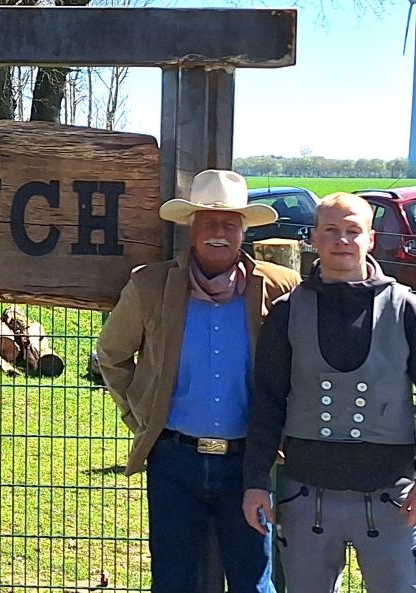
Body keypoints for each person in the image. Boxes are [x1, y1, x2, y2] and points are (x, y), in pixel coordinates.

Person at [241, 192, 416, 592]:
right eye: (330, 230)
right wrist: (256, 480)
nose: (342, 240)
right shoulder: (287, 311)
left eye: (352, 231)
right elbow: (267, 402)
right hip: (305, 496)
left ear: (370, 239)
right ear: (313, 238)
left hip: (392, 498)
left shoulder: (409, 310)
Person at [96, 169, 301, 593]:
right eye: (209, 222)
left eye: (230, 223)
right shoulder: (151, 285)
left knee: (253, 582)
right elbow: (112, 354)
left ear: (244, 231)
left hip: (249, 463)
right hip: (174, 460)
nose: (219, 233)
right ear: (191, 228)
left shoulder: (279, 287)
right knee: (173, 582)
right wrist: (140, 416)